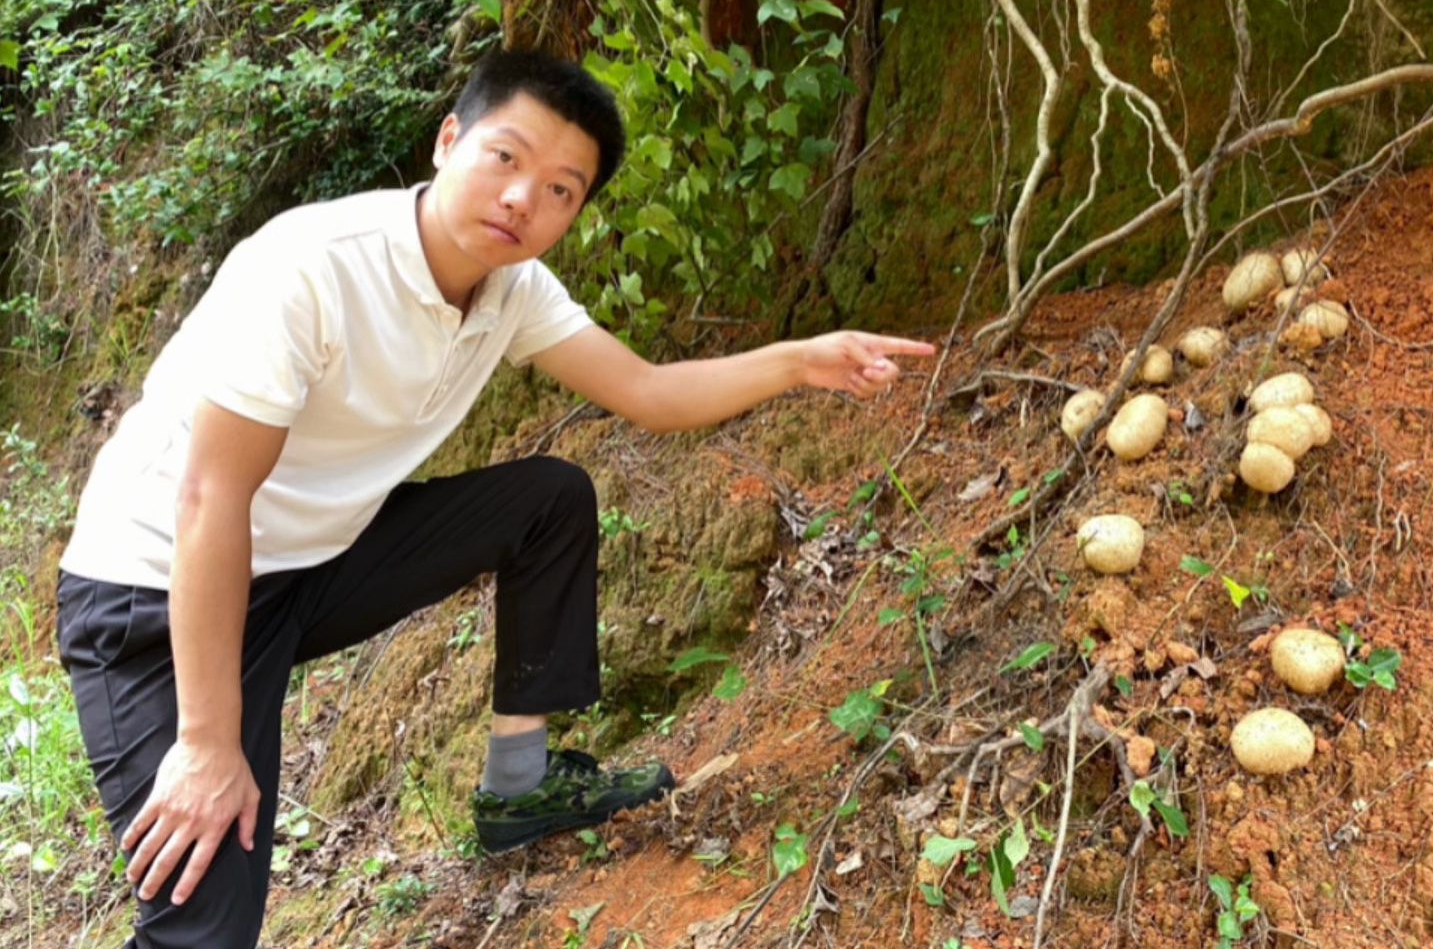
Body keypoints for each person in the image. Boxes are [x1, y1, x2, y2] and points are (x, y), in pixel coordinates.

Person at [55, 48, 934, 948]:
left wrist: (800, 360)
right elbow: (210, 498)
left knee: (546, 500)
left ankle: (521, 787)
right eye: (506, 159)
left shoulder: (511, 291)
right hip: (156, 595)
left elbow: (649, 391)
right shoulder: (311, 267)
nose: (524, 199)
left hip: (309, 567)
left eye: (562, 189)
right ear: (449, 141)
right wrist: (207, 743)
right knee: (203, 926)